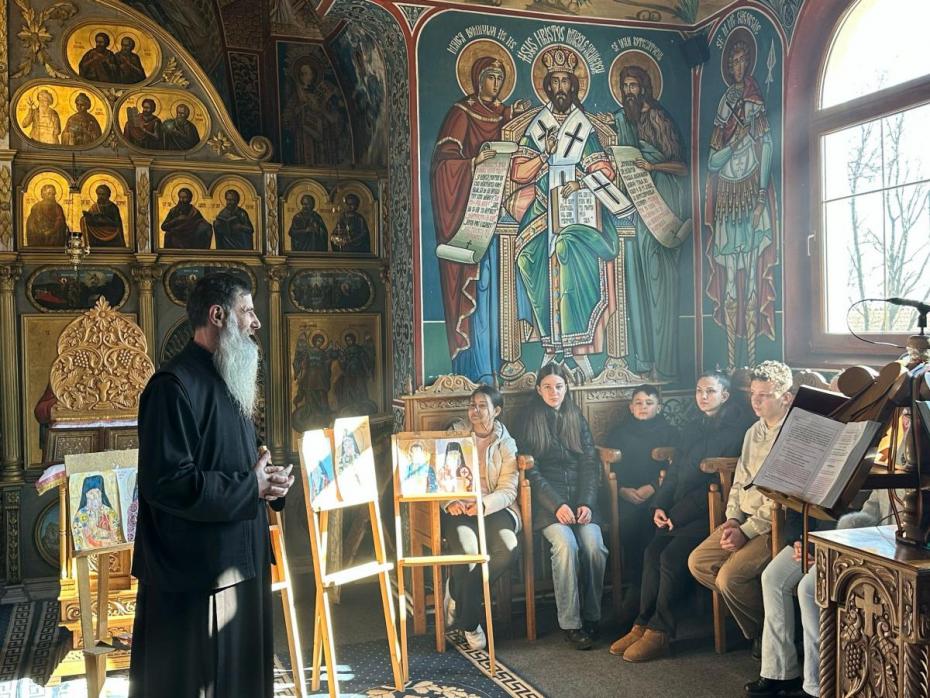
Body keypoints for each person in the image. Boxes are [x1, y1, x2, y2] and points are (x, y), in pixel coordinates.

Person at [129, 273, 295, 697]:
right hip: (196, 575)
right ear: (217, 315)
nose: (256, 322)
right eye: (247, 311)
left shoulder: (229, 376)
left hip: (242, 561)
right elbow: (168, 483)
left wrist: (268, 484)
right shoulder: (172, 387)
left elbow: (237, 463)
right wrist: (251, 486)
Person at [610, 371, 753, 661]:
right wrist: (660, 506)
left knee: (670, 558)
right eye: (699, 390)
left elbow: (713, 483)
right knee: (652, 552)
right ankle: (641, 624)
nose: (703, 396)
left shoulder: (737, 431)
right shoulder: (693, 426)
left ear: (725, 395)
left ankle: (660, 632)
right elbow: (675, 471)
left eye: (710, 391)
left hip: (712, 510)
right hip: (679, 508)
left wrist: (678, 513)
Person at [510, 47, 620, 381]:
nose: (560, 88)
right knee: (526, 258)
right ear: (547, 87)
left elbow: (605, 169)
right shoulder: (538, 126)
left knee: (568, 251)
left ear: (573, 86)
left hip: (577, 211)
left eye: (565, 82)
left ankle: (577, 348)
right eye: (555, 82)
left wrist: (582, 181)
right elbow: (518, 172)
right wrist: (544, 155)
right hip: (543, 208)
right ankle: (549, 341)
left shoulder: (583, 127)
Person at [430, 55, 529, 380]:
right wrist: (474, 162)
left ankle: (507, 364)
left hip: (504, 219)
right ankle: (481, 370)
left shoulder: (505, 115)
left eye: (500, 78)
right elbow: (443, 165)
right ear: (477, 79)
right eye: (490, 77)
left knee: (506, 289)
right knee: (481, 289)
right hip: (474, 218)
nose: (496, 83)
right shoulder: (461, 113)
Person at [688, 360, 793, 656]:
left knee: (729, 578)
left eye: (765, 396)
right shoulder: (753, 431)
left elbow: (780, 499)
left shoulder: (792, 435)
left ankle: (771, 635)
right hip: (744, 519)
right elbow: (739, 482)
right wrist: (733, 519)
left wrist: (745, 531)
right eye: (753, 395)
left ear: (786, 397)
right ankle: (766, 625)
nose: (756, 402)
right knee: (699, 562)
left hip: (772, 525)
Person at [515, 363, 607, 650]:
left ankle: (592, 615)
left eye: (558, 387)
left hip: (581, 502)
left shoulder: (575, 415)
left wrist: (586, 503)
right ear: (538, 389)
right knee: (566, 546)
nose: (553, 392)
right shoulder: (528, 419)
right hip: (548, 506)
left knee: (594, 546)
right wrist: (557, 505)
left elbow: (589, 462)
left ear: (566, 389)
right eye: (547, 387)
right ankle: (571, 623)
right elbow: (531, 472)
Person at [611, 65, 689, 380]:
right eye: (625, 86)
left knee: (661, 283)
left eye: (634, 85)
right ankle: (646, 361)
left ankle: (666, 365)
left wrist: (653, 166)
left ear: (644, 88)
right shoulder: (624, 119)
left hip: (662, 203)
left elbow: (682, 167)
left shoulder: (657, 117)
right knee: (640, 283)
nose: (629, 92)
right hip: (638, 205)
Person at [705, 36, 777, 368]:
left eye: (742, 60)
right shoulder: (725, 104)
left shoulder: (755, 102)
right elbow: (712, 162)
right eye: (733, 61)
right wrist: (733, 144)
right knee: (731, 278)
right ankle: (732, 364)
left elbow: (767, 147)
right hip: (726, 194)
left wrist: (762, 194)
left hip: (749, 191)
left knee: (750, 280)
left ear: (749, 63)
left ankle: (750, 362)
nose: (738, 66)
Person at [443, 385, 521, 650]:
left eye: (482, 406)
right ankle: (471, 623)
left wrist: (484, 504)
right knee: (468, 554)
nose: (475, 411)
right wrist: (450, 502)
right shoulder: (455, 435)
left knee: (507, 550)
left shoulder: (506, 443)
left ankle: (458, 595)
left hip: (492, 507)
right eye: (472, 405)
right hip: (459, 507)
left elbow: (508, 490)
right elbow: (438, 476)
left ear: (496, 411)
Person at [603, 384, 678, 606]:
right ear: (630, 407)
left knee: (651, 525)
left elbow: (675, 468)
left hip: (658, 494)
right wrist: (622, 490)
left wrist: (653, 487)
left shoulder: (670, 432)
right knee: (627, 524)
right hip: (624, 494)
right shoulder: (619, 433)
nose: (643, 407)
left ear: (659, 407)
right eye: (638, 403)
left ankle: (652, 591)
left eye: (649, 403)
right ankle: (636, 586)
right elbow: (608, 470)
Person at [71, 474, 121, 548]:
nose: (95, 497)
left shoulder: (109, 512)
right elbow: (79, 543)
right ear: (86, 495)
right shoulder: (80, 515)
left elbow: (117, 538)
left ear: (101, 493)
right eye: (91, 493)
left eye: (97, 492)